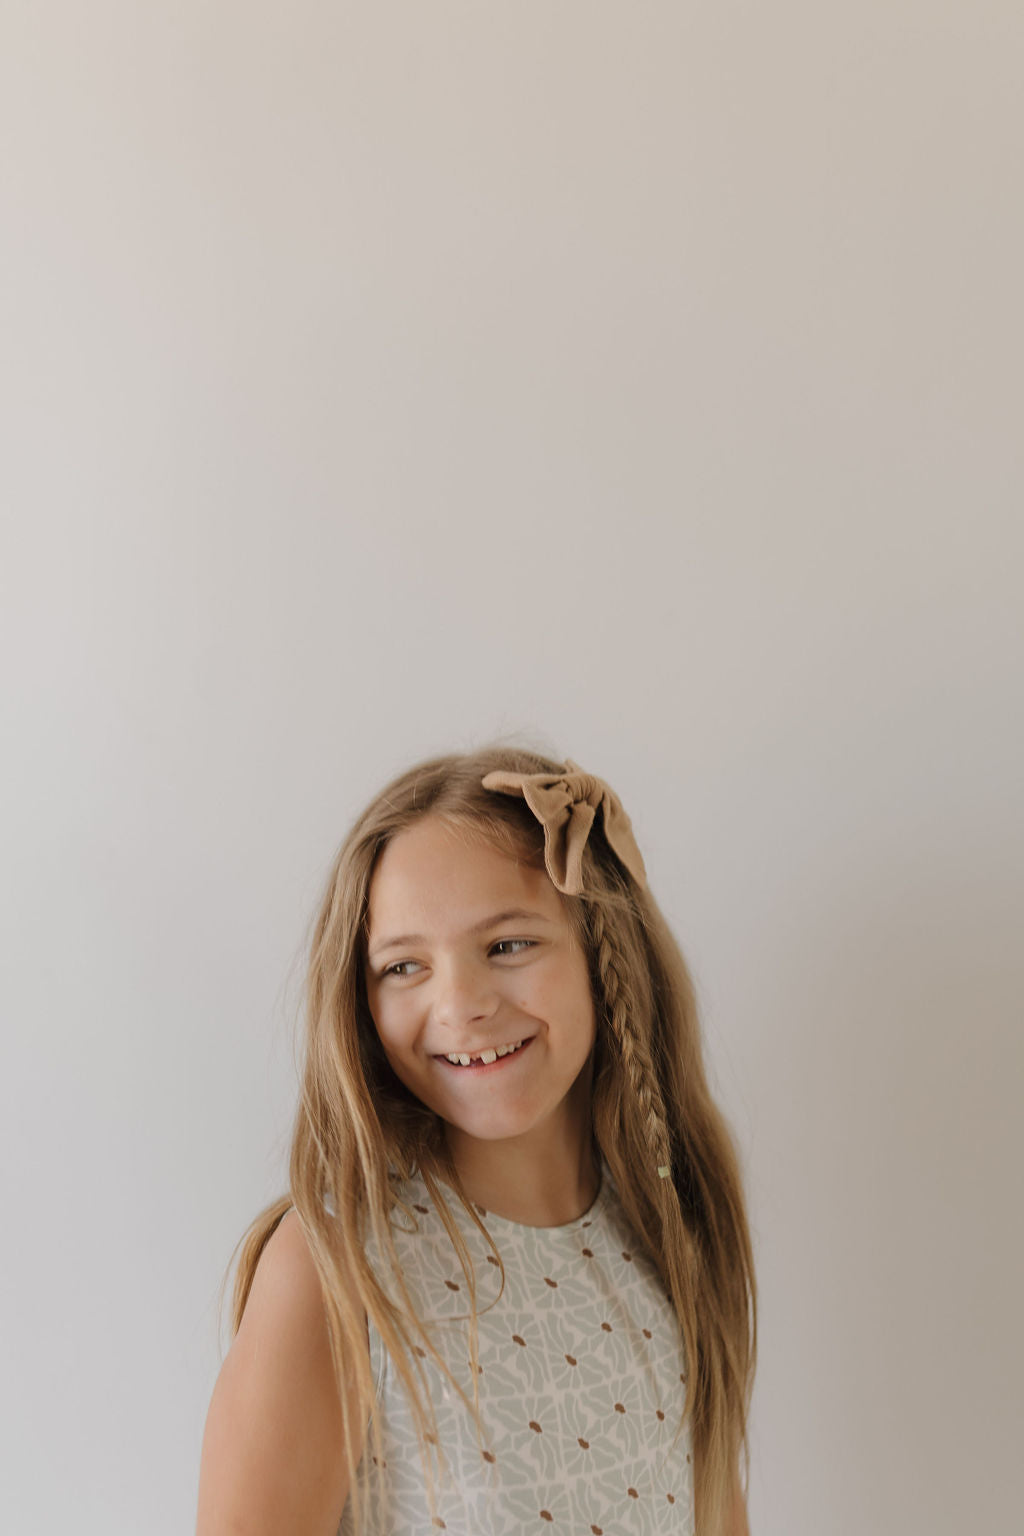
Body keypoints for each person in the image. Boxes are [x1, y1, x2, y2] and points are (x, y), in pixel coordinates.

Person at [195, 746, 756, 1536]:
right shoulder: (334, 1271)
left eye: (507, 946)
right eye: (403, 966)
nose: (460, 1005)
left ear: (604, 956)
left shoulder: (664, 1238)